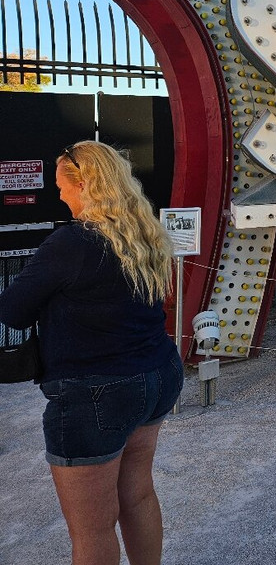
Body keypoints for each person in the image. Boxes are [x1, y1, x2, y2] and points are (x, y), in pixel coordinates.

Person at [0, 141, 182, 565]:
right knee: (138, 495)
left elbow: (12, 310)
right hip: (157, 374)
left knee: (92, 528)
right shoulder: (143, 231)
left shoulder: (71, 243)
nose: (59, 193)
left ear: (84, 185)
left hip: (96, 393)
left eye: (62, 185)